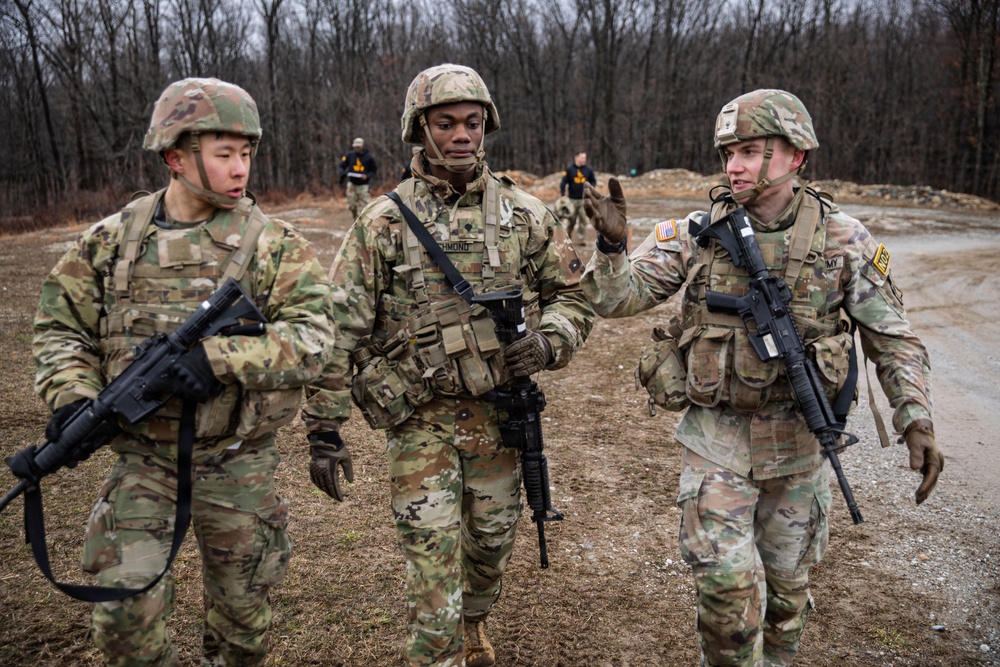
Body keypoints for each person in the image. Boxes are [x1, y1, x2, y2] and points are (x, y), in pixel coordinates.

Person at [581, 89, 943, 666]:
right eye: (728, 152)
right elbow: (615, 299)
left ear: (796, 155)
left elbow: (892, 337)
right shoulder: (698, 233)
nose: (733, 165)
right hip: (717, 442)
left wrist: (915, 418)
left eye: (750, 150)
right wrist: (610, 246)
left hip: (799, 447)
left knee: (787, 599)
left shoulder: (844, 239)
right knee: (726, 593)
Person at [30, 77, 335, 665]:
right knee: (123, 624)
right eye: (224, 154)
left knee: (243, 626)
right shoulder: (114, 241)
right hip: (144, 464)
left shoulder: (273, 246)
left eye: (246, 154)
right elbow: (59, 326)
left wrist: (219, 358)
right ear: (176, 156)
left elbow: (317, 338)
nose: (241, 168)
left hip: (237, 461)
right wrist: (72, 395)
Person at [302, 63, 594, 667]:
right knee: (431, 568)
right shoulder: (382, 221)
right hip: (420, 422)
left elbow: (572, 298)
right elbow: (341, 327)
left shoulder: (523, 213)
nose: (462, 134)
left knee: (489, 546)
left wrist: (548, 343)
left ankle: (475, 622)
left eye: (472, 121)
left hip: (500, 418)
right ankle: (441, 647)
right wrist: (323, 429)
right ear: (420, 130)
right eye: (446, 123)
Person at [558, 151, 596, 242]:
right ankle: (568, 237)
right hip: (572, 200)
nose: (584, 159)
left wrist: (591, 189)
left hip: (583, 200)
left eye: (585, 157)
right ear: (577, 157)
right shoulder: (569, 170)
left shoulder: (588, 170)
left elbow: (593, 181)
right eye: (582, 157)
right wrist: (563, 195)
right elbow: (563, 183)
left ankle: (581, 239)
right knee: (572, 220)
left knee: (583, 220)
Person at [339, 136, 378, 219]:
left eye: (359, 147)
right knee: (352, 205)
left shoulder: (369, 157)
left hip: (363, 185)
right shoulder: (350, 155)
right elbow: (341, 166)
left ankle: (360, 225)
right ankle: (355, 220)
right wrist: (343, 173)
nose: (357, 149)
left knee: (363, 207)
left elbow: (373, 171)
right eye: (355, 147)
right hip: (352, 184)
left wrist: (367, 176)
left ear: (362, 146)